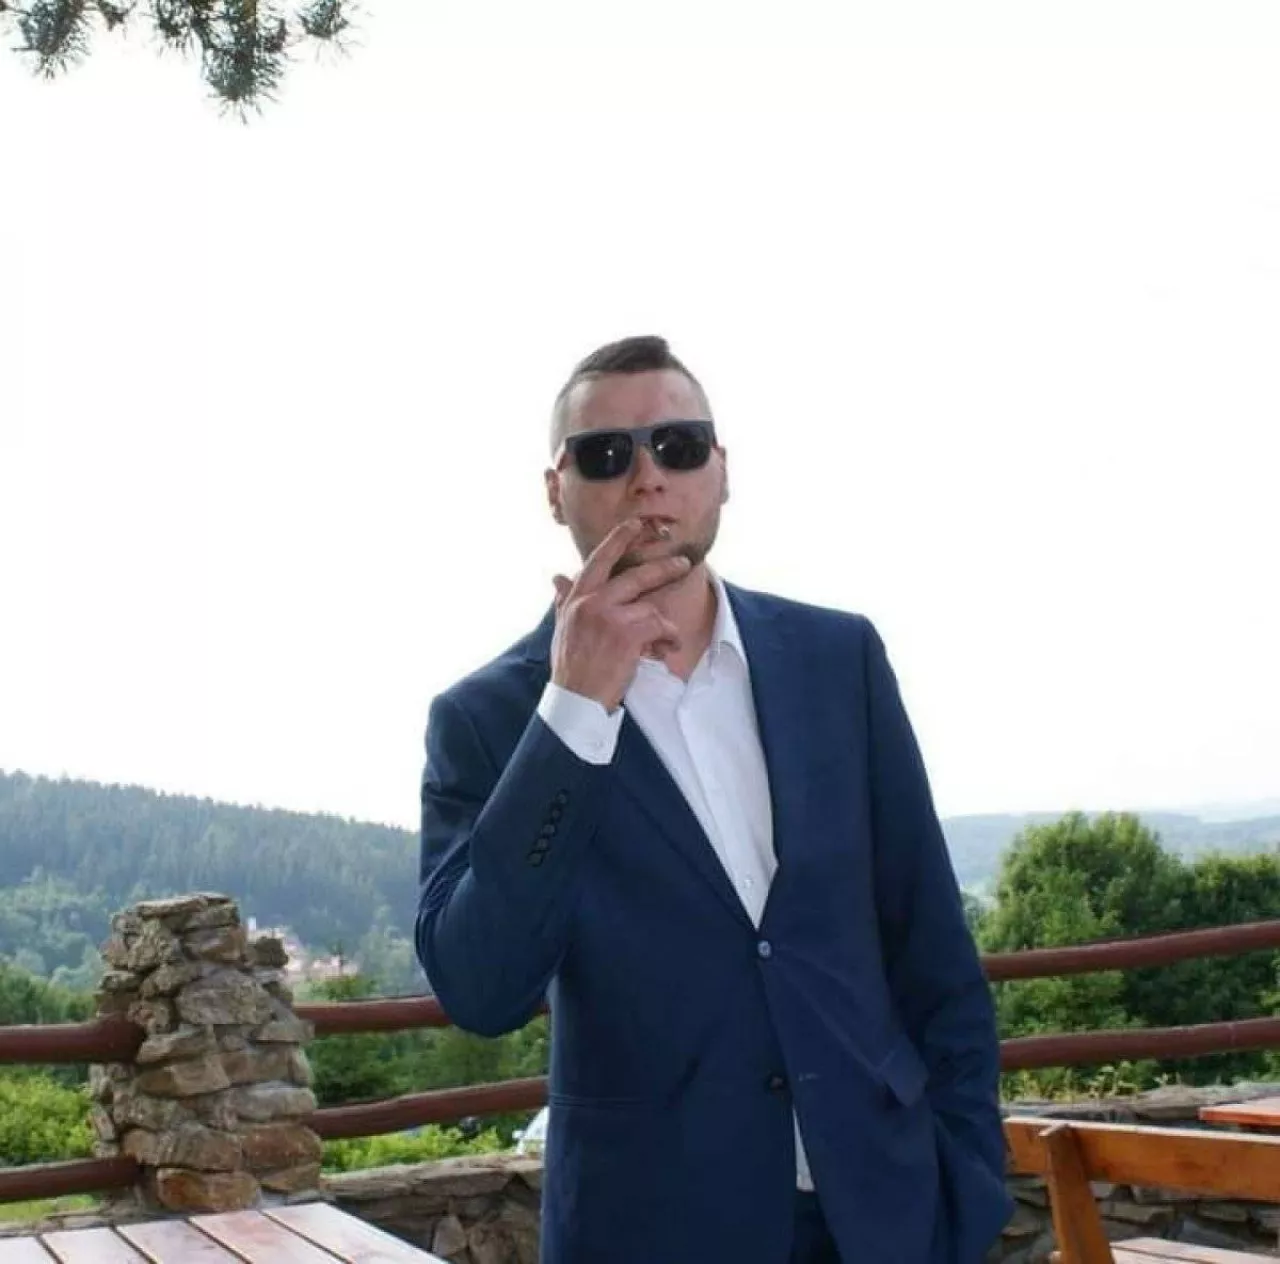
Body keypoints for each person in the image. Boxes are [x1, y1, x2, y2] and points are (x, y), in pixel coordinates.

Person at [415, 336, 1013, 1263]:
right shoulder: (488, 720)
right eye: (605, 454)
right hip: (652, 1231)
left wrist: (965, 1183)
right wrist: (573, 710)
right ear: (555, 490)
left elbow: (931, 945)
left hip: (884, 1214)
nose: (647, 475)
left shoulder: (838, 660)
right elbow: (481, 987)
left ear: (722, 470)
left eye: (678, 444)